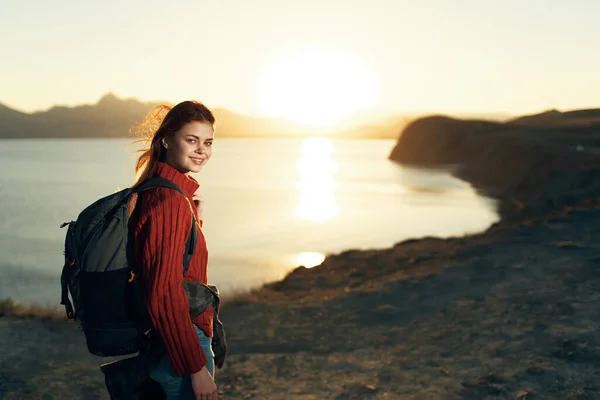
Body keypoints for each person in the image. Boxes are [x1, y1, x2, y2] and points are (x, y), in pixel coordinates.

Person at [129, 100, 218, 400]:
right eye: (191, 140)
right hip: (182, 346)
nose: (201, 150)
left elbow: (181, 267)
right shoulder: (167, 201)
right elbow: (164, 292)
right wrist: (195, 368)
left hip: (175, 342)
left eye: (207, 142)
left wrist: (196, 220)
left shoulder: (164, 193)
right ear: (167, 139)